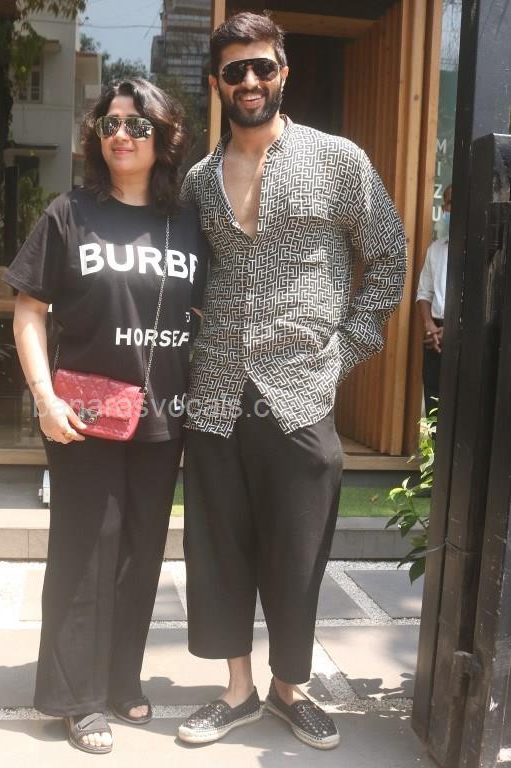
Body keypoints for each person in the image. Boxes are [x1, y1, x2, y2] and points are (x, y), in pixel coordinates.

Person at [177, 12, 406, 751]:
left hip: (300, 391)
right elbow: (184, 276)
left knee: (297, 552)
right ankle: (237, 691)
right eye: (234, 70)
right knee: (218, 550)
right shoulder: (198, 180)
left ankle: (289, 688)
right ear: (218, 83)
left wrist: (342, 352)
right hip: (216, 392)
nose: (249, 80)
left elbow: (390, 256)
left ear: (283, 72)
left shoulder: (337, 160)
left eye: (262, 67)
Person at [3, 79, 207, 755]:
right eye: (110, 123)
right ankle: (76, 697)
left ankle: (120, 678)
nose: (121, 134)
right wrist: (44, 398)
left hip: (163, 413)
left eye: (138, 125)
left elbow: (209, 311)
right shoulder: (70, 213)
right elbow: (28, 311)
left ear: (164, 138)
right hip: (84, 413)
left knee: (140, 554)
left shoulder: (187, 223)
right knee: (85, 551)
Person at [416, 185, 452, 416]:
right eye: (448, 203)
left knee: (458, 401)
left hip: (464, 334)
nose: (450, 208)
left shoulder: (480, 251)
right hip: (434, 334)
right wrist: (429, 325)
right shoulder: (436, 249)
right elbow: (424, 293)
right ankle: (432, 441)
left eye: (455, 202)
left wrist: (453, 331)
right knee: (432, 396)